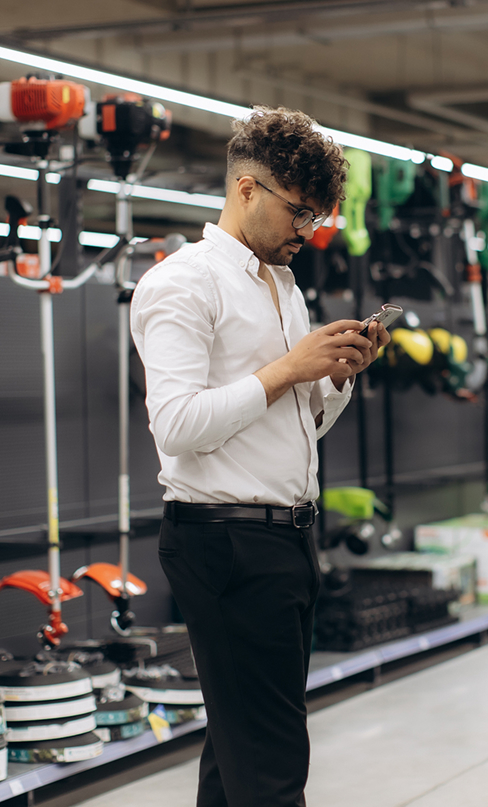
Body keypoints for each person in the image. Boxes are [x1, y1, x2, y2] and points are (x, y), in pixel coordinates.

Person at [130, 106, 389, 807]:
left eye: (317, 217)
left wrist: (333, 376)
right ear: (246, 189)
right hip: (225, 542)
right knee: (272, 766)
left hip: (285, 539)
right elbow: (177, 424)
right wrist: (288, 367)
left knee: (238, 746)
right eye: (299, 212)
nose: (308, 232)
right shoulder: (183, 284)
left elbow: (294, 425)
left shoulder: (281, 285)